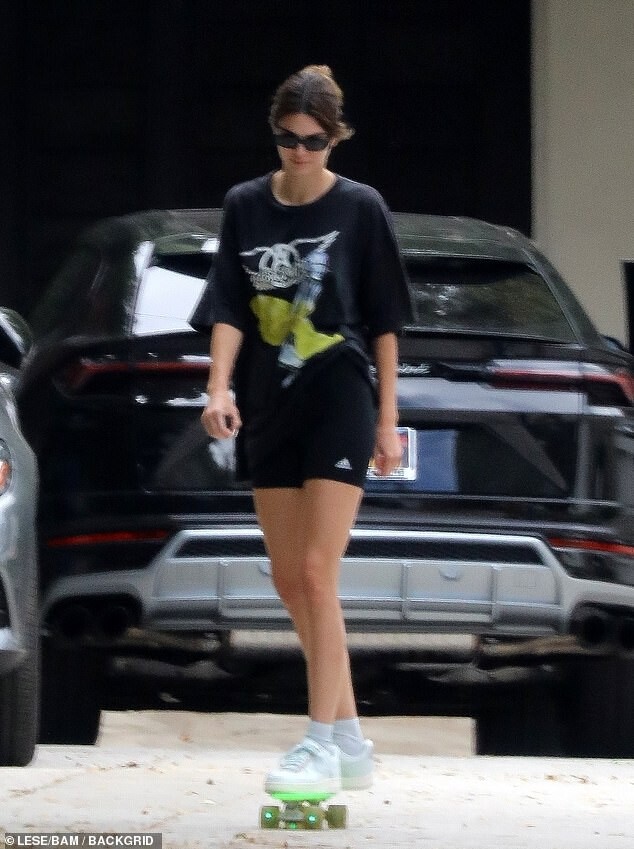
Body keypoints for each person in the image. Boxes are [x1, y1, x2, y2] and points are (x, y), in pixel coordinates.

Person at [194, 64, 412, 797]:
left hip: (339, 396)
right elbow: (228, 305)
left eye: (314, 142)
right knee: (290, 579)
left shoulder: (361, 207)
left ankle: (318, 741)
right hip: (268, 401)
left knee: (319, 571)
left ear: (335, 139)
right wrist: (218, 387)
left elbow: (385, 321)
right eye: (288, 139)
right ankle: (348, 739)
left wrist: (388, 421)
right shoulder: (245, 205)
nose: (300, 152)